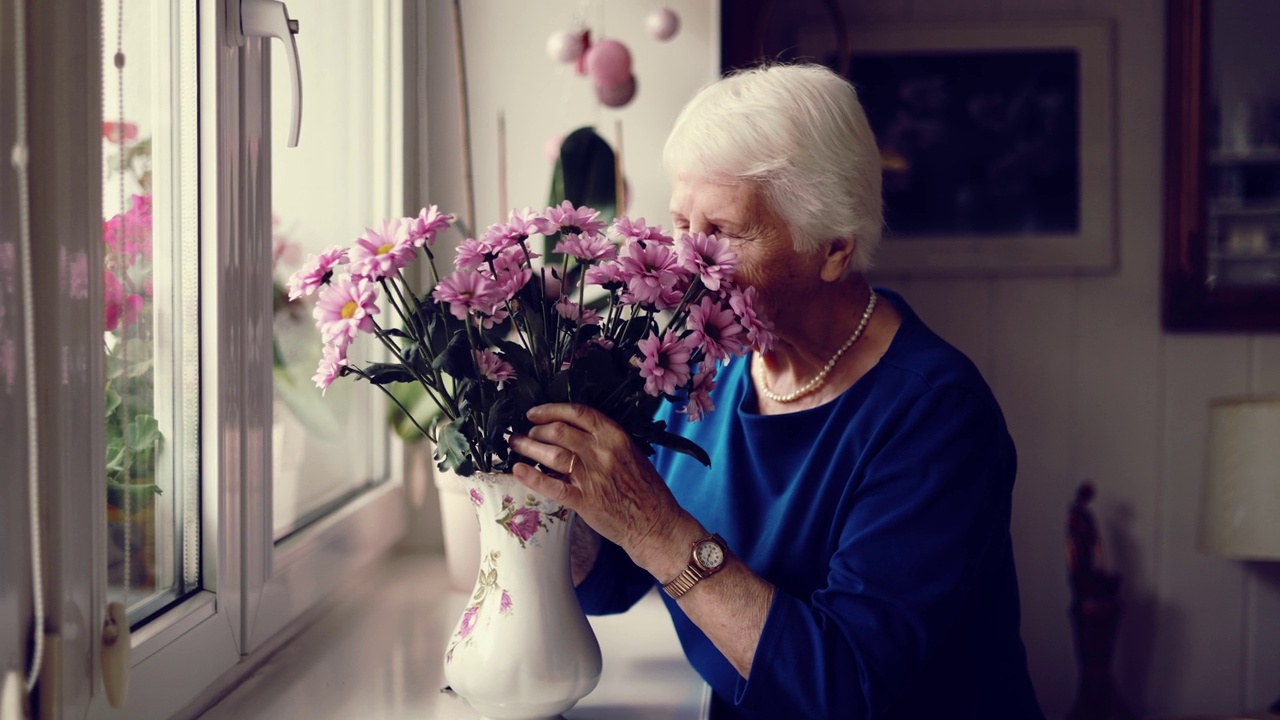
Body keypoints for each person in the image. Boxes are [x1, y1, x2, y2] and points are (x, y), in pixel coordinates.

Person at [509, 63, 1044, 720]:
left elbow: (845, 687)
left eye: (724, 232)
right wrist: (538, 487)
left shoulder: (936, 414)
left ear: (833, 249)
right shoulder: (698, 362)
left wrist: (653, 526)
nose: (688, 262)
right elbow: (619, 573)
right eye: (681, 222)